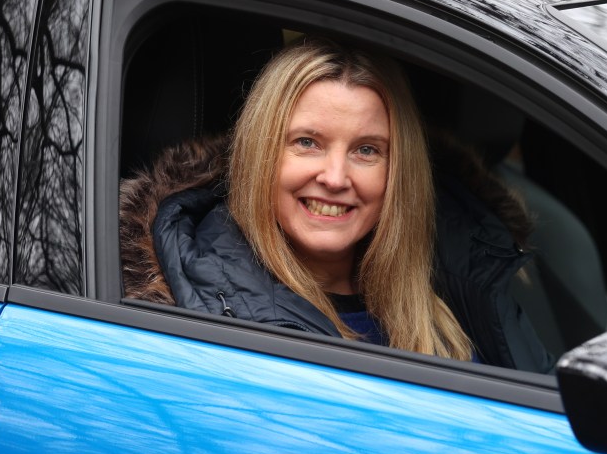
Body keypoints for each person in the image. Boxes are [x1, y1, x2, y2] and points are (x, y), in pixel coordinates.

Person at [120, 35, 550, 370]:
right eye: (307, 143)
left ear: (398, 173)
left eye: (366, 150)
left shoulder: (461, 281)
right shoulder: (204, 318)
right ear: (260, 156)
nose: (335, 177)